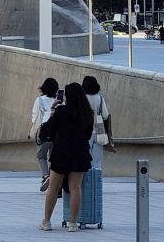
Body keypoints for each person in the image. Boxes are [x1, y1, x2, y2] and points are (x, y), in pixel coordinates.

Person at [38, 82, 94, 232]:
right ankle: (73, 224)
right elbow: (88, 135)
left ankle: (47, 221)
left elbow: (49, 128)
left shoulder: (61, 111)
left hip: (61, 153)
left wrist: (52, 109)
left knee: (53, 187)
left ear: (67, 96)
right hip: (80, 153)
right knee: (75, 188)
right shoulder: (88, 113)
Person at [30, 77, 60, 192]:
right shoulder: (59, 101)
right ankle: (53, 179)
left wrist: (30, 131)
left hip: (43, 132)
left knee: (41, 155)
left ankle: (45, 176)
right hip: (56, 133)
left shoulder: (40, 100)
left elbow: (35, 116)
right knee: (53, 157)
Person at [81, 75, 111, 169]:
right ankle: (96, 181)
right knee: (97, 161)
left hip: (85, 132)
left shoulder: (82, 98)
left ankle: (86, 181)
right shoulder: (100, 99)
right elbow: (105, 115)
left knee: (84, 159)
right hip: (99, 131)